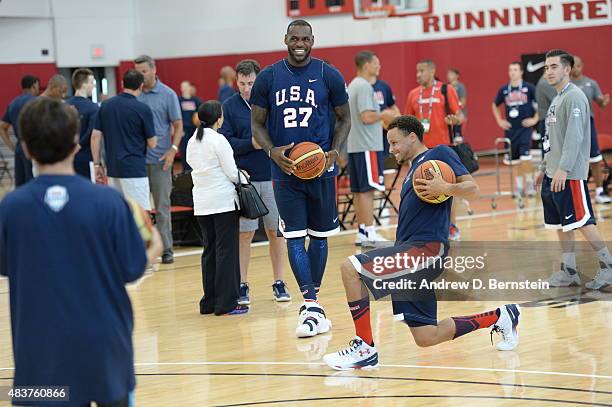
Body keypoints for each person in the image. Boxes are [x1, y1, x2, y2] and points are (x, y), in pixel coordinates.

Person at [323, 115, 521, 370]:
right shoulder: (413, 170)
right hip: (411, 251)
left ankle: (364, 347)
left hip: (426, 250)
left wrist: (445, 187)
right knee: (427, 336)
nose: (391, 149)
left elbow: (473, 190)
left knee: (351, 268)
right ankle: (501, 316)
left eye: (395, 142)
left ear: (412, 137)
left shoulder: (438, 155)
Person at [0, 97, 159, 406]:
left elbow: (6, 266)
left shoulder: (10, 208)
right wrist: (155, 246)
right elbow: (130, 269)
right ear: (76, 143)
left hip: (38, 353)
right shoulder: (110, 202)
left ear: (27, 148)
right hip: (106, 349)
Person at [250, 19, 351, 337]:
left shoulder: (328, 74)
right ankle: (310, 304)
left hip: (321, 168)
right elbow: (257, 124)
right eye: (294, 38)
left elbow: (345, 118)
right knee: (294, 236)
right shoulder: (267, 77)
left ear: (312, 40)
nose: (299, 43)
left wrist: (335, 150)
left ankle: (312, 305)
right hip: (285, 171)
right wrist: (271, 151)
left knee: (319, 236)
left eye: (305, 38)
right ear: (285, 39)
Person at [537, 49, 612, 291]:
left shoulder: (575, 97)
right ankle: (569, 272)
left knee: (582, 222)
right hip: (553, 173)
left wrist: (563, 168)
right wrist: (544, 168)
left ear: (567, 69)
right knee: (561, 224)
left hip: (569, 175)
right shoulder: (556, 99)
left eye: (554, 67)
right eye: (546, 67)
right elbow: (552, 139)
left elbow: (575, 137)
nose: (549, 71)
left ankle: (608, 268)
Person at [219, 59, 291, 305]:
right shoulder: (229, 107)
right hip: (245, 181)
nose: (247, 88)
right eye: (242, 83)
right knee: (245, 235)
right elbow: (225, 142)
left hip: (273, 177)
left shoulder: (273, 102)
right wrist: (250, 144)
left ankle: (279, 282)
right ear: (236, 82)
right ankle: (242, 284)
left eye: (251, 83)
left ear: (258, 80)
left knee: (276, 232)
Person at [187, 100, 248, 316]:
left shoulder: (192, 141)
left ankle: (209, 302)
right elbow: (232, 173)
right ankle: (227, 303)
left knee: (209, 252)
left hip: (202, 203)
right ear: (219, 118)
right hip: (222, 203)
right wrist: (244, 176)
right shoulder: (219, 140)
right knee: (226, 252)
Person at [404, 60, 463, 240]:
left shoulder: (446, 90)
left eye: (421, 70)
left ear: (432, 71)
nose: (418, 74)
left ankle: (451, 225)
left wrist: (455, 120)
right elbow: (407, 124)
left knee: (449, 188)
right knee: (421, 190)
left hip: (444, 148)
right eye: (416, 71)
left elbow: (460, 115)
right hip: (419, 152)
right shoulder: (413, 94)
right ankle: (425, 228)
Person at [134, 54, 183, 264]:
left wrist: (173, 150)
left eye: (143, 71)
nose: (140, 76)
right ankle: (142, 250)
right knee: (138, 209)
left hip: (161, 161)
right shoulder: (133, 95)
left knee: (162, 208)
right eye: (137, 72)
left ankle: (166, 248)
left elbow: (178, 125)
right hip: (136, 162)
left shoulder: (167, 94)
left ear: (153, 70)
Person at [91, 69, 157, 211]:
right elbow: (152, 143)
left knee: (118, 214)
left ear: (122, 84)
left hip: (113, 169)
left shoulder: (106, 105)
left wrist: (97, 165)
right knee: (141, 216)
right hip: (134, 170)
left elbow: (95, 136)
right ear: (141, 86)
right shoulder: (142, 109)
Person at [347, 50, 395, 245]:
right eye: (376, 63)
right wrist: (385, 115)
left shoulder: (353, 85)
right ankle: (369, 233)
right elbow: (366, 117)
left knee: (359, 192)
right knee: (367, 191)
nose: (379, 66)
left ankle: (362, 232)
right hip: (367, 146)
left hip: (355, 146)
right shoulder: (364, 86)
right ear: (366, 65)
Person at [492, 61, 539, 197]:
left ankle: (530, 184)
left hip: (525, 129)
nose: (512, 72)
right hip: (511, 130)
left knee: (525, 158)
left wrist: (535, 119)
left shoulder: (529, 88)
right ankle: (519, 187)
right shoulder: (504, 89)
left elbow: (541, 103)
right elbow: (494, 105)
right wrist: (500, 121)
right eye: (510, 70)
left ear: (521, 72)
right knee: (515, 161)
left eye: (515, 70)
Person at [571, 55, 611, 204]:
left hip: (588, 124)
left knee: (594, 158)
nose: (576, 68)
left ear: (582, 66)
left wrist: (604, 101)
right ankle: (576, 195)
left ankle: (600, 192)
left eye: (578, 65)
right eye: (573, 65)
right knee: (573, 160)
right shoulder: (566, 84)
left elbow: (601, 103)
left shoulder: (591, 83)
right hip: (572, 125)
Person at [0, 75, 39, 186]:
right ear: (33, 86)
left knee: (21, 185)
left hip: (19, 147)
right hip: (34, 147)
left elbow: (2, 126)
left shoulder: (13, 103)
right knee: (34, 183)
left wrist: (12, 146)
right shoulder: (37, 102)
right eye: (37, 87)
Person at [67, 68, 99, 179]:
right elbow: (92, 132)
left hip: (66, 157)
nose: (93, 86)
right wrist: (79, 145)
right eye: (91, 83)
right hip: (86, 158)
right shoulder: (93, 107)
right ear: (84, 84)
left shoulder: (63, 106)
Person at [178, 80, 202, 172]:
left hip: (195, 130)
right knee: (184, 151)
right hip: (184, 130)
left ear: (189, 88)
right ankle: (186, 171)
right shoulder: (178, 100)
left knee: (196, 151)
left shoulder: (196, 101)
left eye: (185, 86)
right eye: (182, 86)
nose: (184, 88)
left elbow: (202, 112)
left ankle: (196, 170)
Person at [447, 68, 467, 141]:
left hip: (459, 115)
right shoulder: (446, 86)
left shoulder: (460, 87)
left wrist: (457, 110)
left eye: (451, 74)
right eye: (448, 74)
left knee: (458, 137)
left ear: (457, 75)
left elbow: (463, 101)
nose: (449, 76)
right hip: (450, 116)